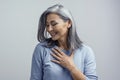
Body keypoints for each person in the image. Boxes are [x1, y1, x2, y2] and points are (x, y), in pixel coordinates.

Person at [30, 4, 98, 80]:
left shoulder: (86, 51)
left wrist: (71, 67)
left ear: (68, 23)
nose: (49, 29)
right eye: (47, 25)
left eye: (54, 24)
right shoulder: (41, 49)